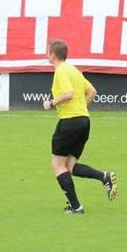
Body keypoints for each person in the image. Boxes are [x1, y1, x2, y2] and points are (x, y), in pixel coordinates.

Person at [42, 39, 117, 213]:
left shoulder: (61, 70)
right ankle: (104, 177)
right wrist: (81, 107)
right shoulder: (73, 69)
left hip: (69, 121)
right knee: (69, 166)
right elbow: (92, 91)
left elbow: (68, 93)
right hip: (84, 121)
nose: (47, 55)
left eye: (48, 52)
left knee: (58, 165)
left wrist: (51, 103)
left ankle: (76, 207)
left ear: (53, 55)